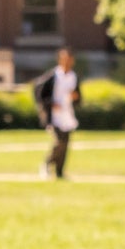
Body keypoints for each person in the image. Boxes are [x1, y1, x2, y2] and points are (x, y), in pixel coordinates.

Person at [30, 49, 80, 180]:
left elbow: (79, 97)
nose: (67, 62)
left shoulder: (73, 77)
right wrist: (50, 104)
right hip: (54, 116)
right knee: (59, 141)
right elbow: (39, 93)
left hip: (67, 114)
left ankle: (59, 171)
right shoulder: (52, 76)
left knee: (66, 143)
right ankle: (47, 163)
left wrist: (76, 97)